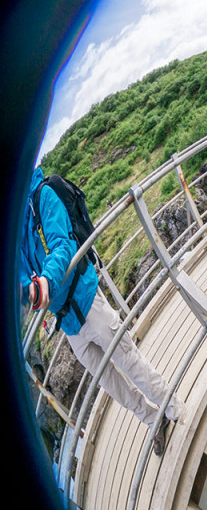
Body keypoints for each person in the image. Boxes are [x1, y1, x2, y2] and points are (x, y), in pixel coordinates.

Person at [20, 167, 182, 456]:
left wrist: (45, 281)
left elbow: (63, 245)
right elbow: (20, 278)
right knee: (108, 381)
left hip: (85, 297)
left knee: (128, 359)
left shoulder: (42, 195)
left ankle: (174, 409)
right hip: (68, 322)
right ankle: (151, 420)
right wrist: (29, 289)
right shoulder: (15, 231)